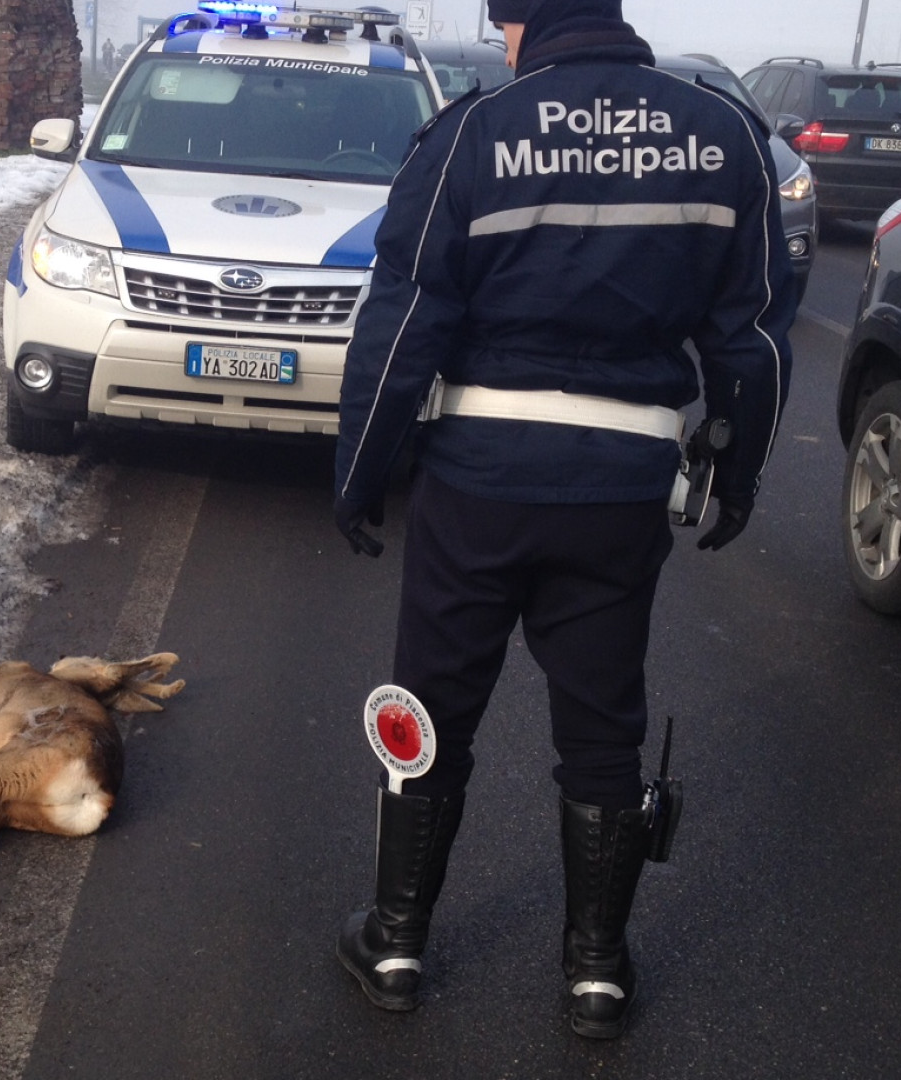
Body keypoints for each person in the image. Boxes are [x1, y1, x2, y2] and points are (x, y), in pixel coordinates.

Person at [330, 0, 796, 1037]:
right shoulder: (719, 135)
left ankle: (397, 941)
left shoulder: (472, 137)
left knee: (434, 710)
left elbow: (402, 323)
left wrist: (360, 472)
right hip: (620, 490)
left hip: (477, 487)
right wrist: (740, 471)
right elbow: (751, 336)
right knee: (602, 724)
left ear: (523, 24)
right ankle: (597, 969)